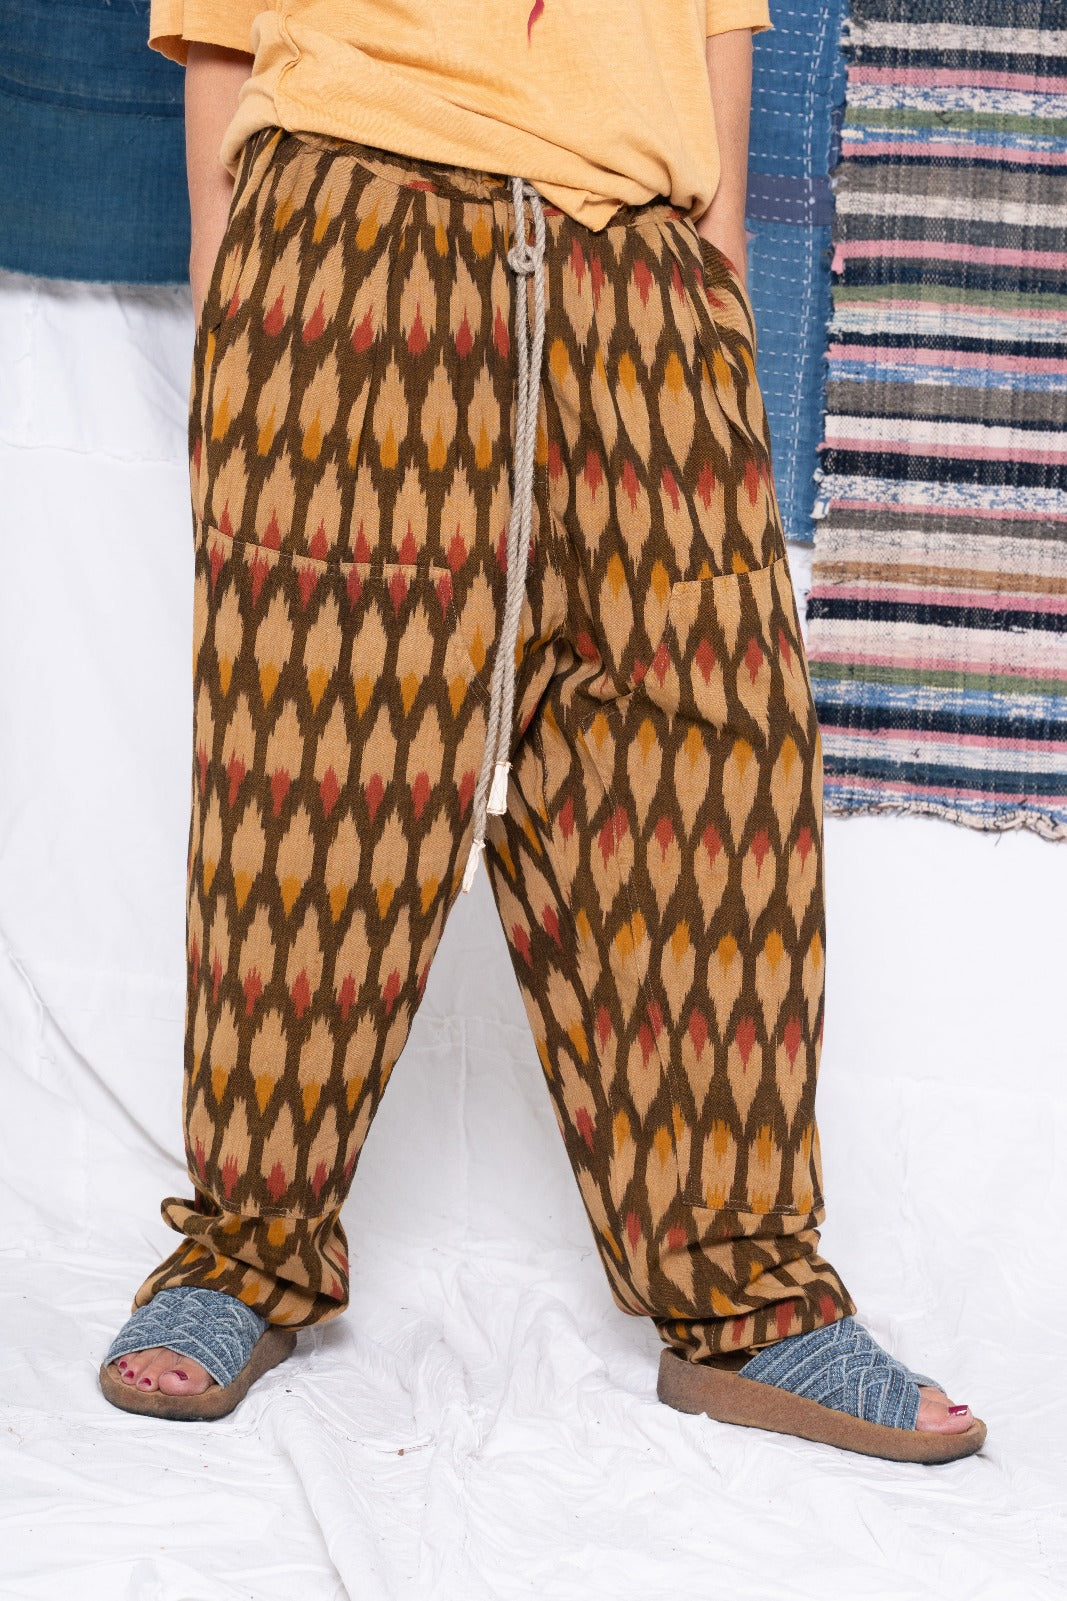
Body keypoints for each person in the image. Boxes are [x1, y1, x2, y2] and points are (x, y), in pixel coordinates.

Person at [99, 0, 984, 1462]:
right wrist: (231, 315)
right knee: (312, 776)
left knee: (714, 775)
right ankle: (242, 1252)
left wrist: (714, 299)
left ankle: (749, 1295)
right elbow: (219, 35)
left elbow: (717, 30)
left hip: (642, 263)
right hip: (348, 237)